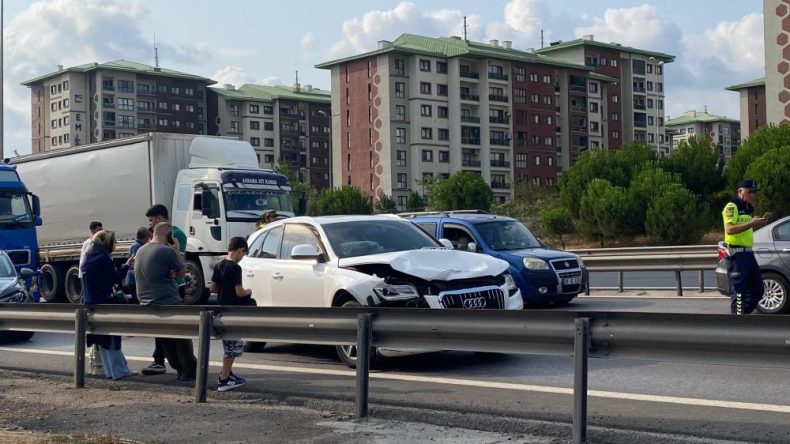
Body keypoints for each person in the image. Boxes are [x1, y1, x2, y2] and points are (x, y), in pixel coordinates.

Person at [135, 222, 197, 382]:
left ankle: (178, 367)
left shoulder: (141, 250)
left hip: (147, 302)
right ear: (169, 235)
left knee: (165, 338)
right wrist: (176, 249)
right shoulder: (166, 250)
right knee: (181, 338)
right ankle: (188, 369)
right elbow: (183, 270)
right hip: (168, 300)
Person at [82, 230, 136, 380]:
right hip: (105, 302)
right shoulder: (103, 258)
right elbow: (115, 278)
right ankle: (119, 372)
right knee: (111, 339)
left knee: (102, 340)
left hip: (92, 303)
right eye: (114, 241)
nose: (116, 244)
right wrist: (127, 265)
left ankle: (111, 371)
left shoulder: (89, 256)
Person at [141, 204, 187, 376]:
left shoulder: (176, 234)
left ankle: (165, 361)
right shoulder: (155, 236)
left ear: (160, 219)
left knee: (172, 330)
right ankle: (159, 360)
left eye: (152, 220)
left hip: (175, 287)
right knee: (161, 328)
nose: (150, 224)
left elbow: (177, 265)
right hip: (162, 286)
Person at [209, 236, 253, 391]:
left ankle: (227, 373)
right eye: (243, 254)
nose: (242, 258)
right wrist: (249, 291)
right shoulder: (235, 268)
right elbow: (239, 292)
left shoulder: (219, 265)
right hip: (234, 310)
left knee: (228, 343)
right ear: (241, 250)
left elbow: (213, 288)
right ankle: (224, 378)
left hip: (221, 310)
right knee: (232, 346)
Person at [722, 179, 770, 315]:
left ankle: (742, 317)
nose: (753, 195)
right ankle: (737, 324)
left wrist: (756, 222)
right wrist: (751, 224)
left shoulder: (748, 208)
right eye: (749, 192)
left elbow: (745, 229)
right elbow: (729, 229)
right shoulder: (732, 206)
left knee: (758, 290)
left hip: (748, 254)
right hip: (736, 255)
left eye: (755, 192)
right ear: (740, 191)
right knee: (739, 294)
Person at [77, 221, 103, 374]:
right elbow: (83, 264)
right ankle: (94, 359)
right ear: (92, 230)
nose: (100, 232)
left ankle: (95, 359)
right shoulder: (89, 243)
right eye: (98, 230)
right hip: (86, 280)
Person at [126, 226, 150, 305]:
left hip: (135, 279)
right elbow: (135, 263)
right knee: (135, 302)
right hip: (134, 280)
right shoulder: (137, 247)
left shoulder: (137, 245)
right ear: (145, 236)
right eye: (148, 237)